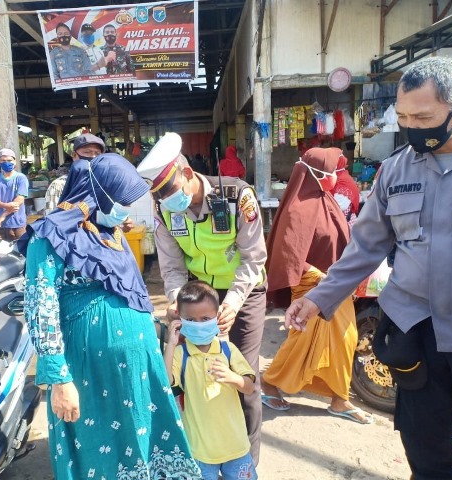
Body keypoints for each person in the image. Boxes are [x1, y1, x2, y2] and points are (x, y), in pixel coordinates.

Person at [284, 56, 452, 479]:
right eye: (405, 116)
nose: (412, 127)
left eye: (423, 117)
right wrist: (319, 299)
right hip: (415, 327)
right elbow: (366, 246)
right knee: (425, 448)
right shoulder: (397, 169)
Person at [19, 153, 201, 479]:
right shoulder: (49, 237)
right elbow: (40, 306)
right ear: (97, 196)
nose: (126, 209)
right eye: (121, 201)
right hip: (90, 372)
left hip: (137, 372)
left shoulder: (109, 231)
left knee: (144, 444)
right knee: (101, 449)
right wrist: (59, 380)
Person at [136, 132, 267, 465]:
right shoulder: (164, 209)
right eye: (159, 195)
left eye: (169, 190)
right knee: (194, 373)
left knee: (243, 373)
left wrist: (234, 303)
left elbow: (253, 258)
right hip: (198, 297)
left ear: (188, 174)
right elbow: (171, 267)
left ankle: (247, 462)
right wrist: (179, 305)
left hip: (244, 292)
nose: (166, 200)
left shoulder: (238, 196)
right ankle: (205, 454)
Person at [260, 148, 373, 425]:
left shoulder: (326, 199)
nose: (336, 176)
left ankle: (338, 398)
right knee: (303, 343)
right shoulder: (299, 207)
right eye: (333, 171)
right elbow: (289, 254)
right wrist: (320, 277)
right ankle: (269, 383)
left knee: (344, 340)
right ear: (318, 174)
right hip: (313, 286)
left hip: (334, 284)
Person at [164, 280, 258, 480]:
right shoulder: (180, 355)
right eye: (191, 319)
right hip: (200, 451)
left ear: (217, 317)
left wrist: (233, 377)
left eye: (205, 318)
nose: (199, 324)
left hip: (236, 447)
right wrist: (171, 344)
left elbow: (250, 388)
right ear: (180, 320)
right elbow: (165, 382)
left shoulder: (228, 350)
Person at [0, 148, 29, 241]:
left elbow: (19, 200)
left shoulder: (21, 178)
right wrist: (5, 205)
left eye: (9, 160)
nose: (7, 163)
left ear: (15, 161)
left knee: (20, 253)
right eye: (3, 160)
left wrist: (3, 216)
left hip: (17, 225)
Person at [329, 149, 360, 226]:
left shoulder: (342, 181)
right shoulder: (340, 176)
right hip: (341, 221)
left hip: (344, 223)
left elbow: (340, 206)